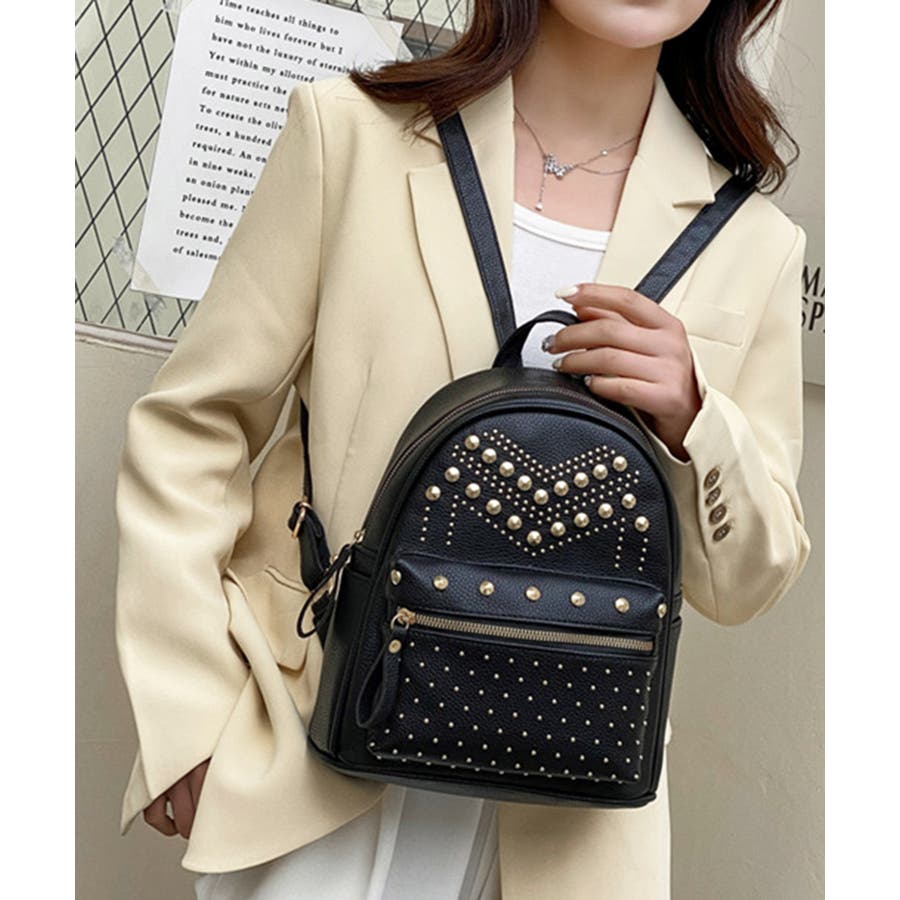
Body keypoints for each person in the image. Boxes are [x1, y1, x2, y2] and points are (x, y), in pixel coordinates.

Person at [114, 1, 811, 897]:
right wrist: (188, 712)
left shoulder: (752, 241)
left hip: (569, 813)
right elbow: (193, 425)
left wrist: (695, 417)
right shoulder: (352, 137)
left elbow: (747, 581)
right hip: (315, 743)